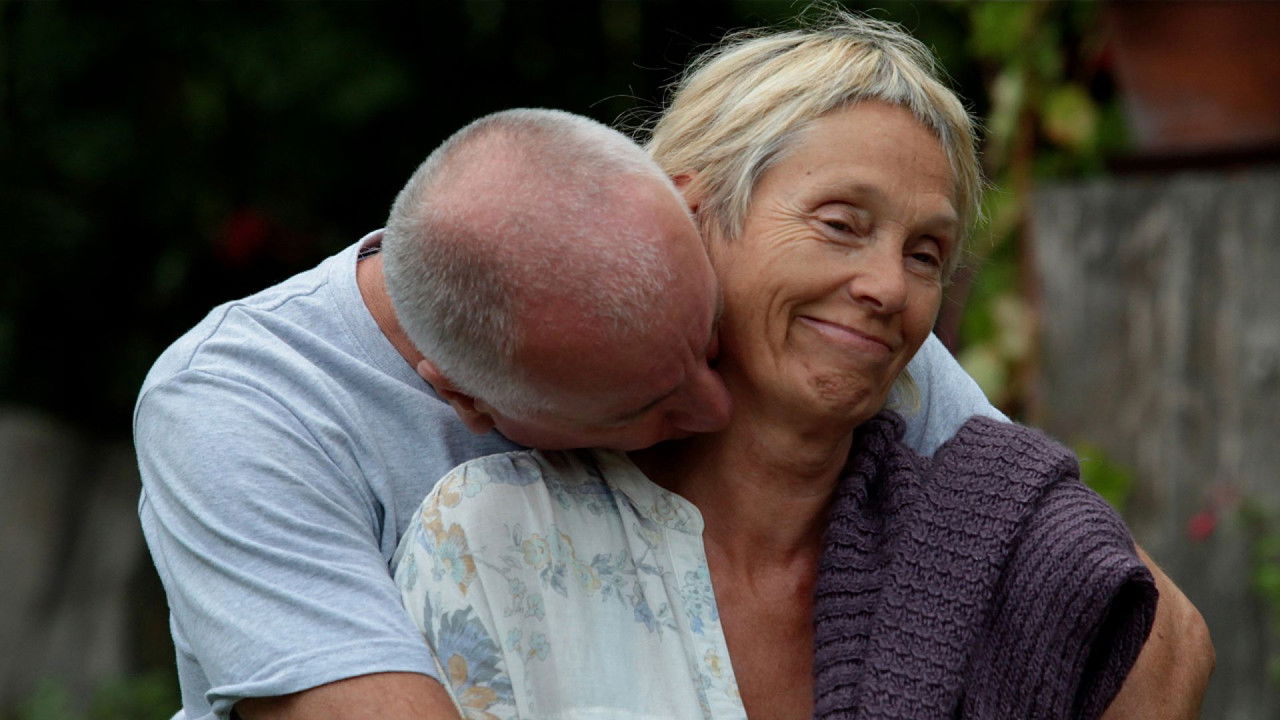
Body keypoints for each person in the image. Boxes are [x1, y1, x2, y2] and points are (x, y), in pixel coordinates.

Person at [393, 15, 1212, 720]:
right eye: (841, 224)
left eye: (925, 254)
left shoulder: (995, 546)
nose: (888, 287)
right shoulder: (496, 537)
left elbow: (1169, 645)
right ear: (693, 216)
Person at [134, 105, 1003, 720]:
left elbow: (1032, 525)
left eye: (710, 345)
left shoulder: (791, 294)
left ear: (687, 212)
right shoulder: (243, 412)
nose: (715, 406)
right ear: (468, 401)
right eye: (654, 408)